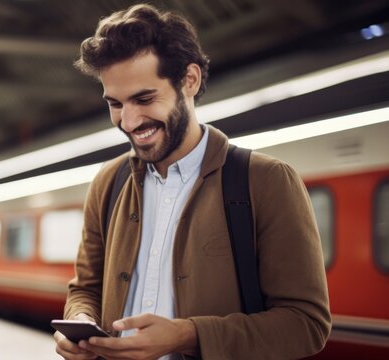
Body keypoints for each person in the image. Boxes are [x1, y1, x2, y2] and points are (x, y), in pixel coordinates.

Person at [55, 4, 331, 360]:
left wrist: (189, 335)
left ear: (190, 80)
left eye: (144, 98)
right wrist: (79, 319)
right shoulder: (109, 182)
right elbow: (85, 288)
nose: (128, 121)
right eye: (115, 104)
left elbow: (306, 324)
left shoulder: (265, 180)